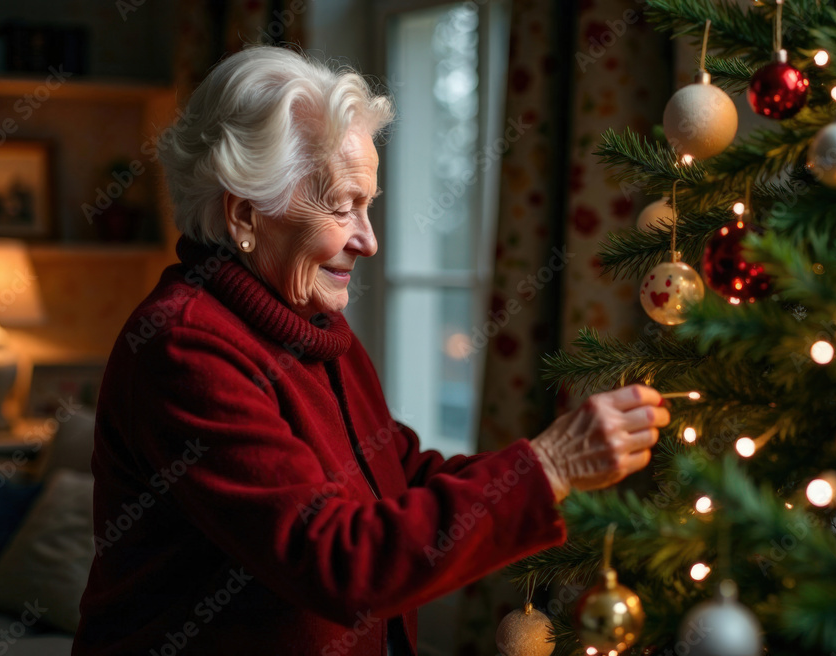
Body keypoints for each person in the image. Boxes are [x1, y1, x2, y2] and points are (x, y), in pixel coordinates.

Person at [72, 46, 669, 656]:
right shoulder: (183, 347)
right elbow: (336, 560)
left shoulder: (310, 322)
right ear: (244, 214)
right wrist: (548, 467)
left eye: (369, 204)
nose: (369, 240)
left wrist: (560, 473)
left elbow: (398, 475)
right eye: (341, 206)